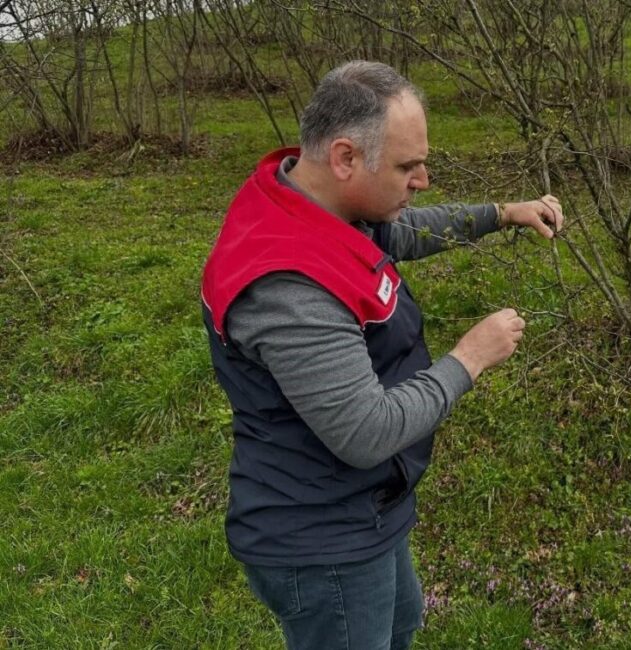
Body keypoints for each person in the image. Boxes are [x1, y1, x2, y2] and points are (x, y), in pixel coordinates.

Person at [200, 61, 564, 650]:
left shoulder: (322, 207)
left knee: (400, 626)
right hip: (321, 536)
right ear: (345, 158)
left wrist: (502, 214)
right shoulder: (290, 288)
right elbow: (366, 432)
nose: (422, 180)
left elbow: (405, 230)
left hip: (365, 505)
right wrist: (469, 357)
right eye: (406, 166)